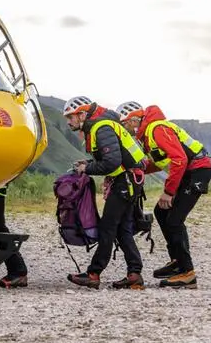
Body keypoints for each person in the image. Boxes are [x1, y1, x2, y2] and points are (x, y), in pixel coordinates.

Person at [116, 101, 211, 289]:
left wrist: (168, 192)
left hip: (197, 171)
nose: (126, 130)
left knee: (174, 220)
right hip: (189, 172)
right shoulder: (149, 134)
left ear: (134, 119)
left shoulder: (156, 128)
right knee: (161, 212)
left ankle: (187, 273)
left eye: (125, 125)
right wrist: (135, 170)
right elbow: (159, 162)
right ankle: (177, 261)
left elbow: (179, 159)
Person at [62, 96, 147, 290]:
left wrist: (87, 168)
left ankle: (94, 274)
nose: (68, 121)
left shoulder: (101, 128)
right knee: (122, 229)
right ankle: (134, 274)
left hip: (125, 182)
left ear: (82, 114)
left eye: (71, 117)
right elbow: (115, 160)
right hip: (131, 180)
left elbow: (112, 162)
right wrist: (90, 165)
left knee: (108, 228)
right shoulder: (103, 125)